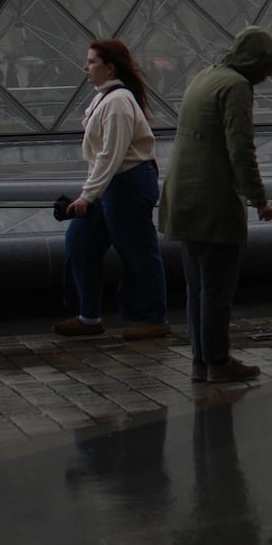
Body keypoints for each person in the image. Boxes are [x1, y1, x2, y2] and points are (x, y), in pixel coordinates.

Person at [161, 27, 272, 383]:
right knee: (217, 287)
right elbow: (240, 149)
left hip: (182, 194)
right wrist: (258, 199)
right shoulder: (236, 87)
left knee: (196, 285)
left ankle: (201, 359)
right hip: (211, 197)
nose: (271, 72)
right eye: (269, 63)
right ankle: (218, 360)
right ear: (255, 59)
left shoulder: (205, 76)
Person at [59, 37, 172, 341]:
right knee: (79, 242)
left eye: (92, 61)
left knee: (137, 250)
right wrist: (90, 191)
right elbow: (102, 157)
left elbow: (111, 154)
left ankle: (154, 318)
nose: (86, 67)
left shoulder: (118, 102)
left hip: (128, 183)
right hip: (112, 183)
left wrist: (87, 195)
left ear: (110, 68)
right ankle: (89, 315)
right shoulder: (104, 97)